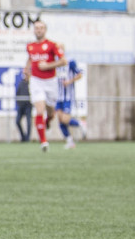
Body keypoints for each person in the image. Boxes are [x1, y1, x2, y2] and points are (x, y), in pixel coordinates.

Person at [24, 20, 66, 152]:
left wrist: (48, 65)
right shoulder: (30, 46)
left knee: (50, 111)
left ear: (45, 30)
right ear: (34, 30)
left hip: (50, 81)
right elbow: (30, 59)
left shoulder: (52, 45)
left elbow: (64, 61)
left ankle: (48, 120)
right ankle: (43, 142)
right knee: (39, 109)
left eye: (41, 28)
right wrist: (26, 69)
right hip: (36, 81)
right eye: (36, 28)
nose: (39, 30)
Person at [54, 43, 85, 149]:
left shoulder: (70, 61)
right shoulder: (54, 63)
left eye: (60, 49)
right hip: (58, 96)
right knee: (59, 119)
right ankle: (70, 141)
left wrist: (69, 81)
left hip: (68, 96)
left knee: (65, 119)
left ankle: (80, 123)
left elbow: (80, 74)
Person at [14, 73, 32, 143]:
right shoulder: (21, 83)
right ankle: (23, 137)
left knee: (28, 122)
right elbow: (17, 93)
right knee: (17, 121)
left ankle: (27, 138)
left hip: (28, 106)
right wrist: (19, 103)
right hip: (21, 105)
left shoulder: (31, 84)